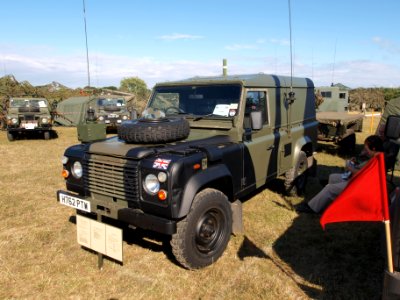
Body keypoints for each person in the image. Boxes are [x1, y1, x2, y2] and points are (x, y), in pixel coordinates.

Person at [296, 135, 384, 214]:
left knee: (329, 188)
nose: (365, 150)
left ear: (373, 148)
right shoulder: (376, 157)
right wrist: (357, 161)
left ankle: (312, 207)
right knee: (333, 178)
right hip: (358, 182)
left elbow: (363, 175)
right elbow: (365, 171)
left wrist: (350, 167)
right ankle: (335, 202)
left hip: (359, 186)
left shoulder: (377, 160)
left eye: (366, 149)